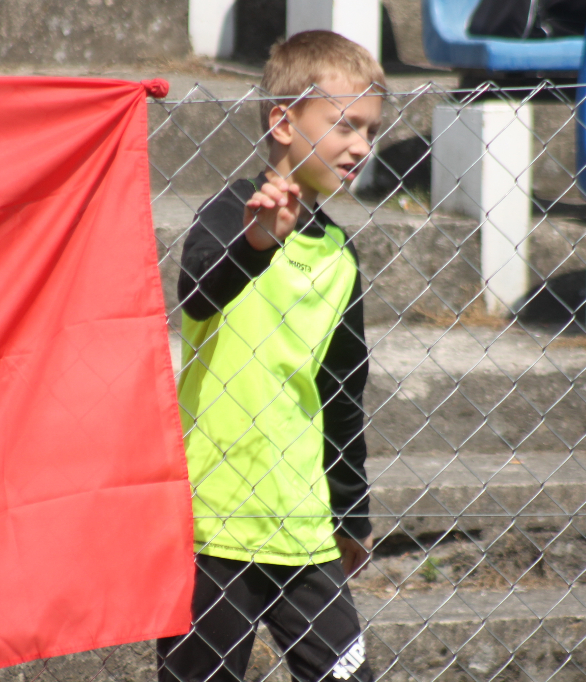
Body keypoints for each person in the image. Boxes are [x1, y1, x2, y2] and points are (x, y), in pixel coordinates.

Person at [157, 30, 383, 682]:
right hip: (213, 528)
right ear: (284, 121)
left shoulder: (340, 256)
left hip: (304, 531)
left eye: (370, 130)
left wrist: (351, 515)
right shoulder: (232, 215)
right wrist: (257, 243)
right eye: (345, 125)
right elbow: (200, 289)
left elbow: (343, 394)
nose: (362, 147)